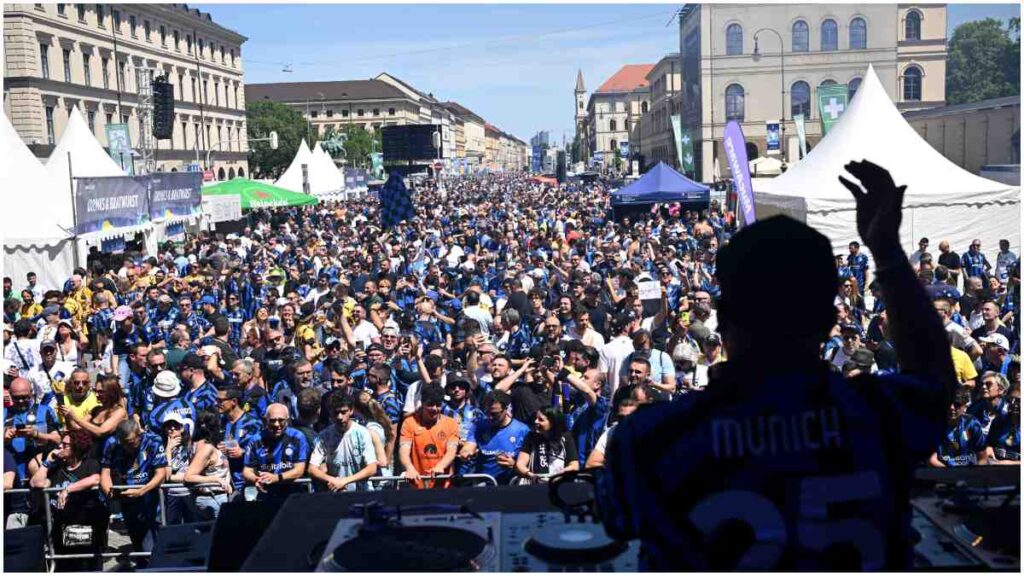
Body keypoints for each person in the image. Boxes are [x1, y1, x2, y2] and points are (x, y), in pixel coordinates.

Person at [597, 160, 957, 570]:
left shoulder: (651, 439)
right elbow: (933, 377)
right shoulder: (879, 415)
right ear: (828, 320)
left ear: (723, 318)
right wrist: (887, 252)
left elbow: (616, 525)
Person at [30, 429, 107, 571]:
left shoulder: (89, 464)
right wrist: (47, 463)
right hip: (60, 526)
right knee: (64, 566)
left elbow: (95, 478)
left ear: (77, 447)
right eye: (61, 444)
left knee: (81, 565)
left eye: (65, 445)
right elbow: (36, 483)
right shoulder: (57, 468)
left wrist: (68, 489)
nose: (60, 447)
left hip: (82, 524)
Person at [100, 419, 168, 564]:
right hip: (127, 500)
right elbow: (105, 473)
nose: (127, 446)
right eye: (123, 442)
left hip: (150, 500)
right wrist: (109, 492)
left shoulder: (153, 441)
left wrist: (142, 490)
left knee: (150, 546)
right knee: (138, 546)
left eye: (131, 442)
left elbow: (161, 474)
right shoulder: (112, 444)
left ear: (139, 435)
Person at [308, 394, 379, 492]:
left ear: (351, 410)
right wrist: (332, 480)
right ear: (330, 413)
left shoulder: (362, 433)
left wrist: (345, 481)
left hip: (361, 493)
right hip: (337, 492)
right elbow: (312, 469)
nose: (339, 417)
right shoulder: (325, 435)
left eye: (343, 412)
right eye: (336, 413)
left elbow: (372, 468)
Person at [242, 403, 310, 501]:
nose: (277, 424)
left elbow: (299, 470)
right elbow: (247, 471)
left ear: (287, 419)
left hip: (292, 495)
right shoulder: (256, 440)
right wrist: (256, 479)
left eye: (281, 420)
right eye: (272, 421)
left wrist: (276, 478)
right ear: (266, 420)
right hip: (266, 494)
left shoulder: (298, 437)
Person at [462, 390, 529, 486]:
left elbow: (529, 461)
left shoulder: (522, 430)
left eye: (494, 414)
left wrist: (514, 465)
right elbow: (469, 445)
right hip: (484, 485)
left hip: (511, 485)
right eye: (487, 413)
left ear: (506, 409)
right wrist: (466, 453)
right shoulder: (479, 425)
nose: (490, 417)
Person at [398, 384, 459, 489]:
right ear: (422, 403)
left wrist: (440, 466)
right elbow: (404, 450)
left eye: (438, 405)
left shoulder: (451, 423)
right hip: (417, 485)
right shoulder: (409, 423)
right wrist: (409, 468)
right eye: (430, 404)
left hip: (443, 486)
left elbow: (451, 451)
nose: (435, 409)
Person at [183, 410, 232, 519]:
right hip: (212, 498)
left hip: (214, 497)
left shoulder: (199, 443)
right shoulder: (206, 448)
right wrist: (216, 479)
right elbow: (189, 476)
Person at [515, 407, 579, 483]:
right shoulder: (531, 437)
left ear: (552, 423)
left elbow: (574, 466)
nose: (536, 421)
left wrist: (563, 473)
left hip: (558, 484)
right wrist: (529, 474)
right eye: (536, 418)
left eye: (541, 420)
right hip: (534, 485)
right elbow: (520, 464)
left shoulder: (566, 437)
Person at [930, 387, 989, 467]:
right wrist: (951, 475)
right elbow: (931, 459)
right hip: (942, 472)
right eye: (948, 403)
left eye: (957, 404)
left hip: (969, 473)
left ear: (965, 407)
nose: (952, 407)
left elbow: (983, 458)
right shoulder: (933, 425)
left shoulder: (972, 423)